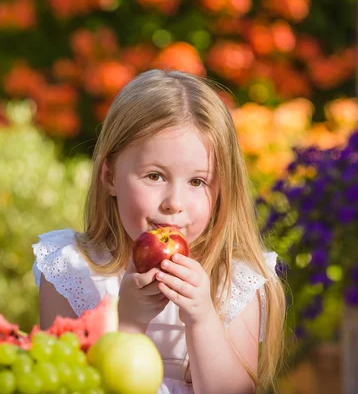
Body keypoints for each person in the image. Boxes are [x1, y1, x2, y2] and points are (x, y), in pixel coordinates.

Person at [32, 69, 286, 393]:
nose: (174, 203)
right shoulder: (71, 270)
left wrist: (202, 319)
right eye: (155, 176)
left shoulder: (233, 279)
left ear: (221, 188)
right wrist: (128, 324)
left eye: (197, 181)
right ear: (110, 177)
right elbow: (65, 386)